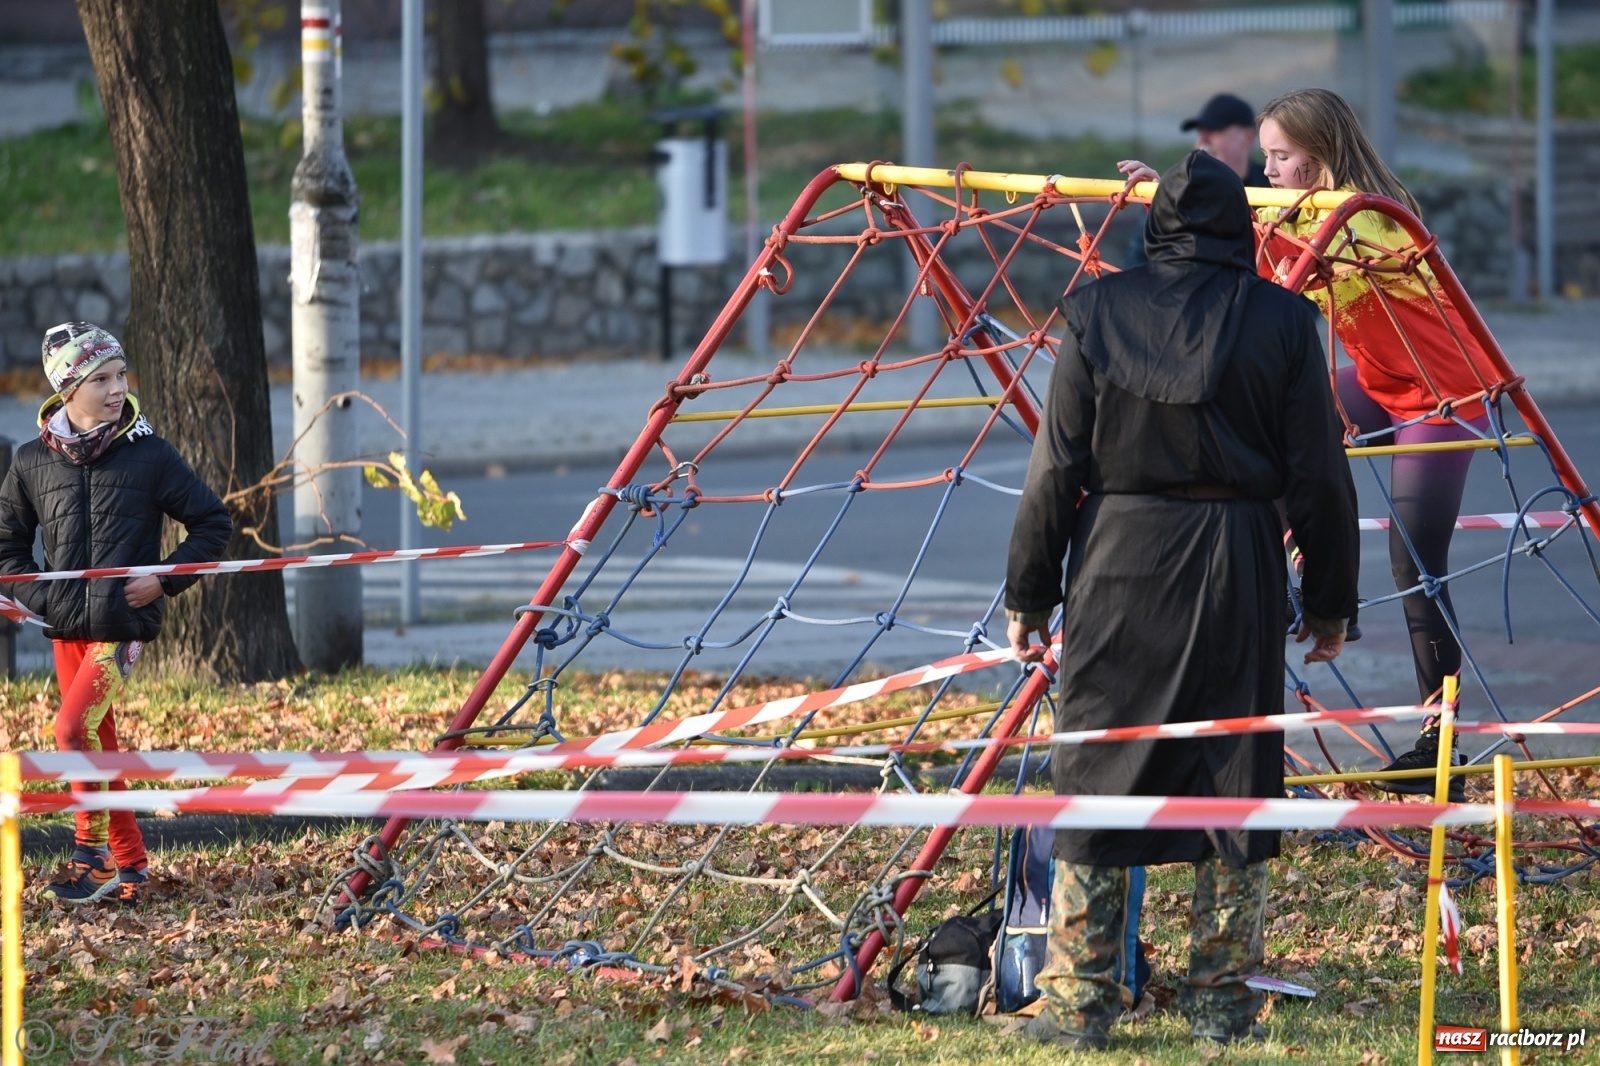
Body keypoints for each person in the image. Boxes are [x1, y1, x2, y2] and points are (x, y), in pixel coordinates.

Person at [1005, 152, 1359, 1050]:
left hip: (1117, 562)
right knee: (1235, 775)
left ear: (1156, 226)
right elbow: (1321, 475)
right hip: (1237, 564)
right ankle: (1221, 1002)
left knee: (1097, 771)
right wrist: (1328, 603)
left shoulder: (1093, 311)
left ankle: (1077, 1004)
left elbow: (1055, 468)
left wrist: (1029, 593)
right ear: (1241, 226)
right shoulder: (1286, 321)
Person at [1116, 88, 1496, 799]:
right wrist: (1167, 195)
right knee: (1267, 426)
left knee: (1415, 560)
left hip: (1443, 395)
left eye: (1280, 156)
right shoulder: (1302, 213)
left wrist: (1205, 206)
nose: (1268, 170)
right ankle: (1304, 575)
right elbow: (1240, 242)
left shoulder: (1366, 220)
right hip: (1381, 380)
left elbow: (1268, 253)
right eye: (1264, 155)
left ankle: (1437, 741)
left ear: (1319, 161)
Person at [0, 322, 232, 906]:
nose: (117, 388)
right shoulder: (31, 461)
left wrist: (164, 578)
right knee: (98, 742)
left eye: (121, 374)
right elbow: (6, 548)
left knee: (71, 729)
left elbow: (213, 523)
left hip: (122, 629)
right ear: (67, 388)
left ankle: (91, 853)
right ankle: (131, 867)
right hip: (65, 626)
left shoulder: (150, 454)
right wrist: (42, 597)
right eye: (100, 379)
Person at [1123, 92, 1269, 268]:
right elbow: (1137, 263)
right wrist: (1163, 202)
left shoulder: (1275, 187)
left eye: (1215, 130)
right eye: (1200, 132)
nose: (1202, 140)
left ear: (1247, 136)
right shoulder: (1178, 187)